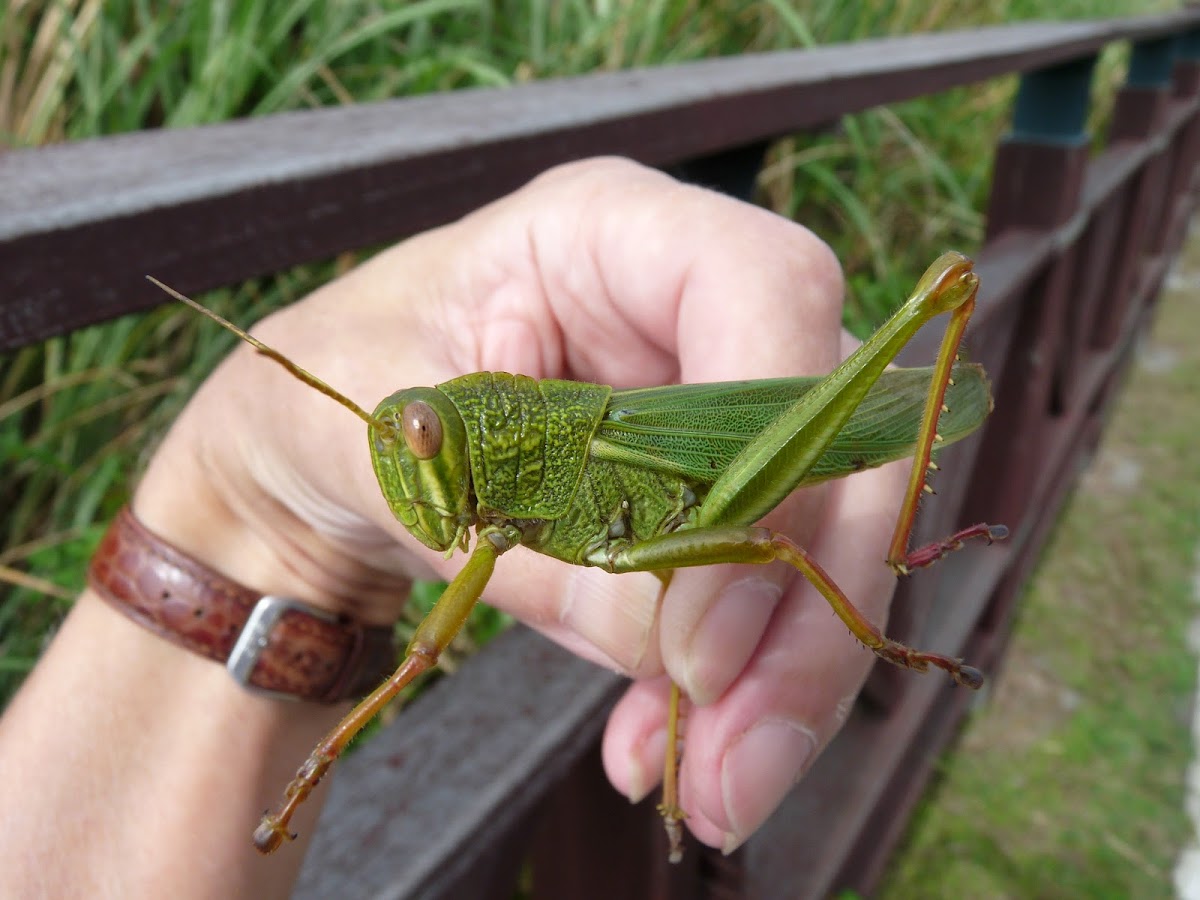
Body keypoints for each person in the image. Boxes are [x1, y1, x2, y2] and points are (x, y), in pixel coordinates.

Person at [0, 157, 908, 897]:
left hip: (702, 461)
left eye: (423, 440)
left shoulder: (543, 451)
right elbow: (429, 644)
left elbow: (759, 544)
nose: (410, 466)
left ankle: (895, 631)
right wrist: (254, 501)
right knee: (690, 617)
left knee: (764, 549)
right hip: (643, 497)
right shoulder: (495, 499)